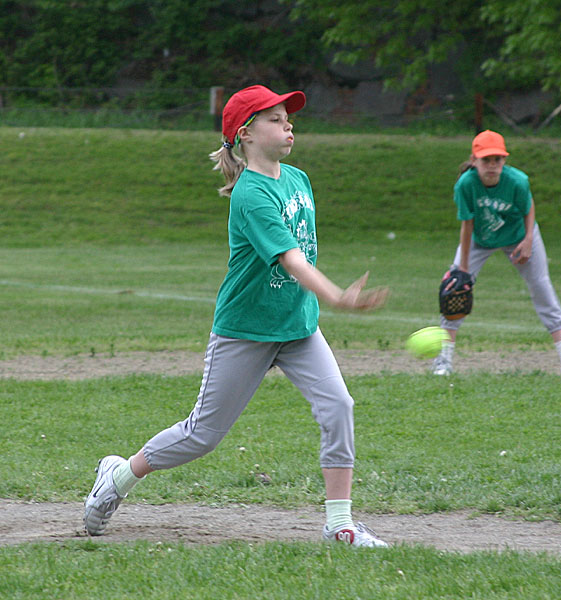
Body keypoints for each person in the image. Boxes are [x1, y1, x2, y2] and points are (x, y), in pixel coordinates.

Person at [84, 85, 390, 548]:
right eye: (275, 119)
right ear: (245, 133)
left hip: (297, 326)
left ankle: (340, 523)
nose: (288, 125)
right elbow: (290, 258)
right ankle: (119, 476)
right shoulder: (250, 194)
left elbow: (302, 252)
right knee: (201, 435)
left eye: (288, 118)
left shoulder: (298, 179)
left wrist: (316, 303)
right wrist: (335, 295)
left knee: (339, 406)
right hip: (245, 330)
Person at [431, 130, 561, 376]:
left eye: (497, 160)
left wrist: (528, 241)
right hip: (480, 239)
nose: (492, 166)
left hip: (518, 235)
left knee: (541, 287)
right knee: (454, 291)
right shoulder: (466, 184)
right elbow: (467, 224)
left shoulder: (517, 180)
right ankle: (444, 360)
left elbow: (528, 207)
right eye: (486, 160)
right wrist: (462, 269)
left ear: (505, 161)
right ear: (474, 160)